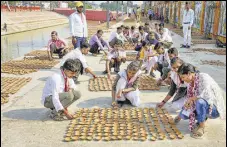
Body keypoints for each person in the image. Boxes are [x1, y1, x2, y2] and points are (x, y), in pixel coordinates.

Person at [176, 63, 225, 138]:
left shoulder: (204, 77)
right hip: (202, 106)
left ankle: (202, 126)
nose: (182, 79)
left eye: (183, 77)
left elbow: (207, 95)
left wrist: (192, 99)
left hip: (213, 109)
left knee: (200, 102)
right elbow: (189, 99)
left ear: (189, 73)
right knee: (184, 115)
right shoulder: (189, 83)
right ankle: (202, 118)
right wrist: (179, 116)